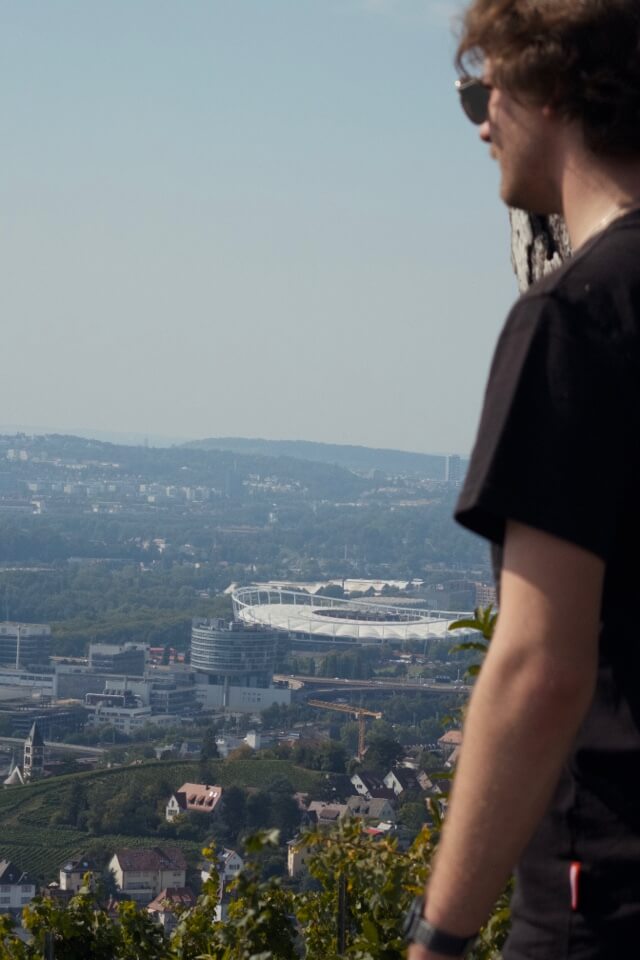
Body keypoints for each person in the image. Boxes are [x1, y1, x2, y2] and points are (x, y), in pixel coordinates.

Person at [403, 1, 640, 958]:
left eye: (480, 90)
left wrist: (439, 935)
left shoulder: (578, 315)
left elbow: (540, 667)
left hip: (609, 894)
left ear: (552, 84)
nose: (479, 123)